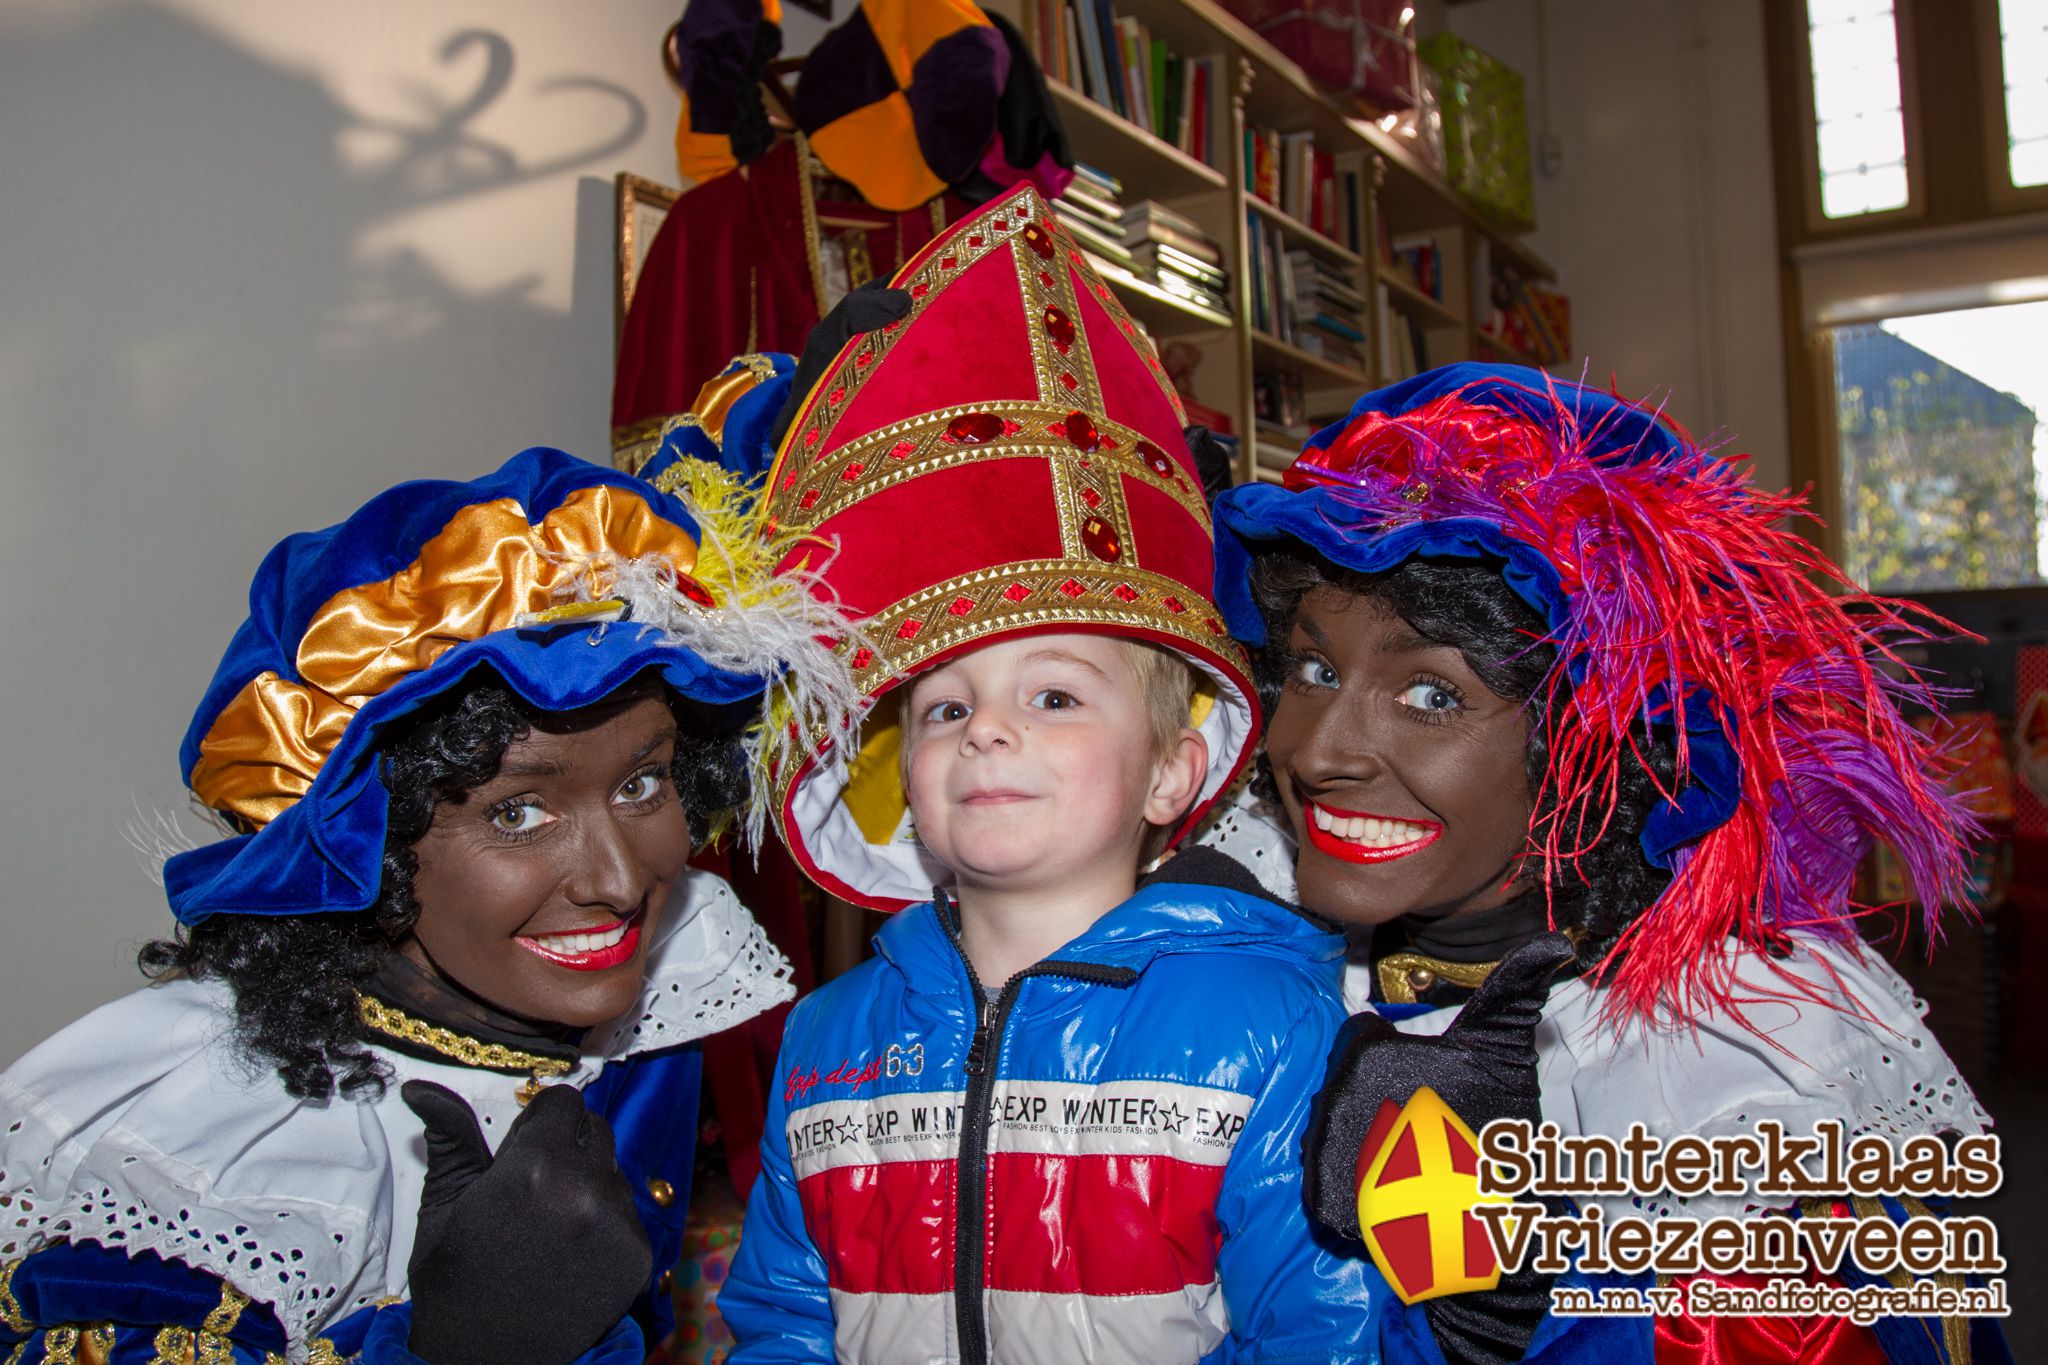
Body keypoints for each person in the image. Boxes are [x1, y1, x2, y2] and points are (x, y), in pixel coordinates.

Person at [0, 410, 866, 1363]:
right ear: (368, 848)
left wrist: (808, 429)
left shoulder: (640, 1002)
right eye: (516, 812)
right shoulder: (206, 1162)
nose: (621, 882)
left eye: (640, 783)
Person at [1204, 363, 2008, 1363]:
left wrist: (1511, 1310)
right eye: (1314, 671)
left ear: (1600, 751)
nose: (1316, 752)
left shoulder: (1732, 1081)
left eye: (1432, 696)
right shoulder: (1250, 949)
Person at [715, 184, 1380, 1363]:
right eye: (944, 705)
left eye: (1055, 696)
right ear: (895, 768)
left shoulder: (1269, 1027)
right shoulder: (825, 1040)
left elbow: (1314, 1336)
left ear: (1172, 773)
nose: (984, 730)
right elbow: (779, 1322)